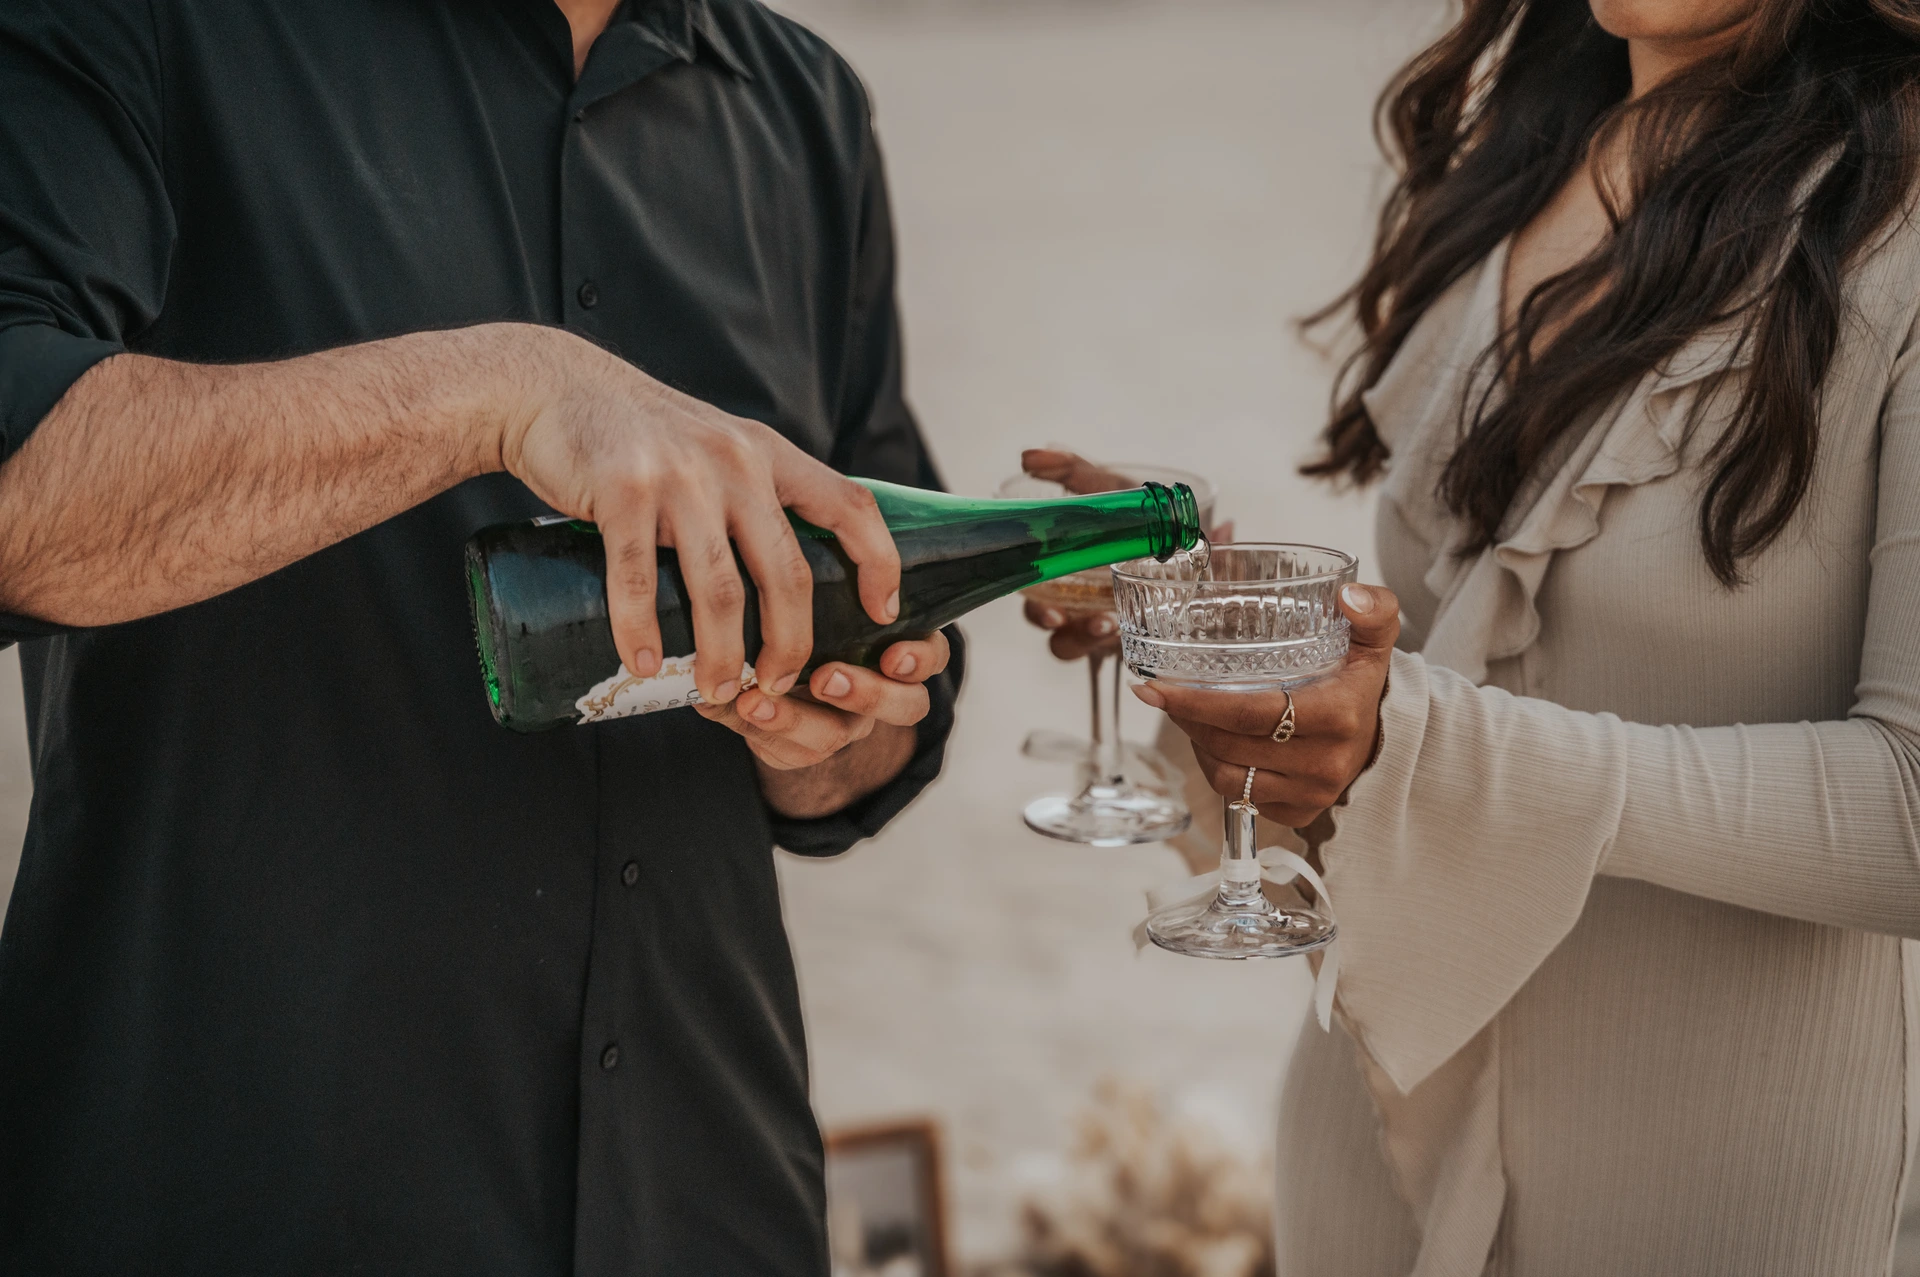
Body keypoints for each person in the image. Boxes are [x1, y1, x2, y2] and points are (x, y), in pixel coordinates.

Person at [0, 1, 961, 1272]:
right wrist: (508, 388)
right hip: (232, 1195)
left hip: (714, 1201)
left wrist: (822, 729)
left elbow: (884, 707)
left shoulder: (805, 103)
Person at [1124, 0, 1920, 1271]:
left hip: (1706, 1194)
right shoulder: (1520, 167)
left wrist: (1420, 738)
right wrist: (1233, 635)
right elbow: (1438, 659)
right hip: (1365, 1141)